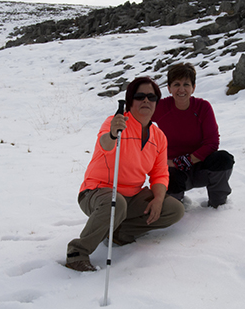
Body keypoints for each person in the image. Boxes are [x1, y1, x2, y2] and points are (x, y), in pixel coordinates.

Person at [66, 77, 185, 272]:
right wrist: (113, 133)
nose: (146, 100)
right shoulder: (116, 123)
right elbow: (105, 144)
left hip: (132, 196)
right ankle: (77, 253)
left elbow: (160, 172)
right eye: (140, 96)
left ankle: (119, 232)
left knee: (174, 209)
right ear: (130, 101)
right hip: (97, 192)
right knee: (116, 203)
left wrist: (158, 198)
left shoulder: (158, 136)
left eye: (151, 97)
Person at [152, 63, 234, 208]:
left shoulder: (203, 107)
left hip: (200, 167)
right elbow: (138, 118)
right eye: (176, 84)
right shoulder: (161, 108)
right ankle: (174, 209)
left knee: (223, 159)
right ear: (169, 88)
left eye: (186, 84)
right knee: (169, 185)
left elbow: (212, 143)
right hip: (173, 170)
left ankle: (218, 206)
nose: (181, 89)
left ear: (193, 87)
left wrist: (185, 161)